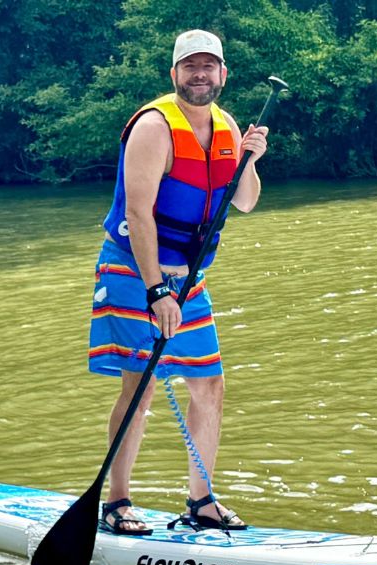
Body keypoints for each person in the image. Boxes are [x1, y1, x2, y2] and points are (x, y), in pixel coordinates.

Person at [87, 29, 269, 535]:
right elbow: (139, 214)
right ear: (175, 74)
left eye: (209, 66)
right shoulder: (153, 126)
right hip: (133, 271)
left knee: (209, 385)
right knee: (140, 389)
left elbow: (246, 201)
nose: (200, 74)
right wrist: (156, 291)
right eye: (191, 66)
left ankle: (201, 502)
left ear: (223, 75)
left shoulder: (228, 127)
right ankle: (118, 502)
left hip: (189, 278)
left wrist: (249, 159)